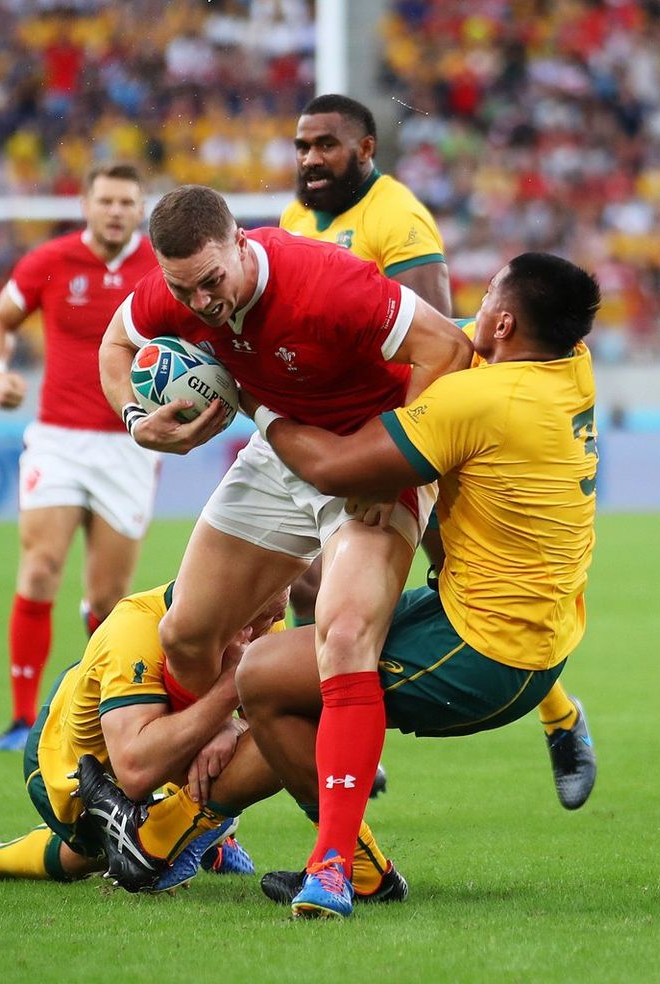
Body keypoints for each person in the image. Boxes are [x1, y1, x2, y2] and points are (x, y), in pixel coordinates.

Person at [98, 183, 472, 906]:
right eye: (185, 289)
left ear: (243, 242)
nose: (201, 302)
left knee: (344, 635)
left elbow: (448, 349)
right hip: (279, 450)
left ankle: (337, 865)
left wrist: (395, 461)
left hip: (368, 457)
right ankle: (214, 800)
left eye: (212, 282)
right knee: (185, 634)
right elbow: (117, 344)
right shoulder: (176, 290)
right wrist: (136, 421)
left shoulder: (327, 284)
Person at [231, 252, 600, 916]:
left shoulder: (478, 401)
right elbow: (450, 343)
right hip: (528, 630)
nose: (474, 310)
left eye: (487, 299)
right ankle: (210, 822)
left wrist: (250, 395)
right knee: (305, 664)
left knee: (262, 677)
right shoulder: (571, 365)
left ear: (505, 324)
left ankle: (346, 866)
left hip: (486, 657)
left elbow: (334, 468)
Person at [280, 94, 595, 813]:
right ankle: (341, 731)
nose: (310, 159)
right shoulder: (298, 217)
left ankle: (550, 715)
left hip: (408, 436)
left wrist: (394, 468)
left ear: (364, 149)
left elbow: (439, 340)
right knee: (310, 588)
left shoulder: (399, 219)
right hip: (348, 422)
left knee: (439, 585)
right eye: (302, 146)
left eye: (325, 145)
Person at [0, 162, 161, 752]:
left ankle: (95, 716)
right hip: (57, 439)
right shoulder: (50, 260)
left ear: (141, 209)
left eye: (126, 202)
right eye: (105, 200)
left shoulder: (160, 267)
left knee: (109, 599)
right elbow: (0, 320)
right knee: (39, 568)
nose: (115, 211)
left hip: (130, 441)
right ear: (85, 204)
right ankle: (20, 719)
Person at [0, 581, 285, 887]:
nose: (267, 627)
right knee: (100, 847)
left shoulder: (263, 615)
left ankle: (190, 833)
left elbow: (271, 718)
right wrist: (227, 695)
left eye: (275, 616)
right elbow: (135, 770)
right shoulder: (134, 627)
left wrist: (233, 725)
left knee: (281, 732)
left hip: (159, 737)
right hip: (70, 763)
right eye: (260, 617)